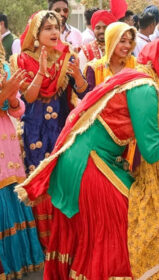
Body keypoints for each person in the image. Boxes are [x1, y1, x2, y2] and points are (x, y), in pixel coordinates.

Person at [15, 38, 159, 279]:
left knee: (122, 226)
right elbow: (153, 152)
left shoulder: (141, 81)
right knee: (127, 225)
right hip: (88, 163)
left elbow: (158, 143)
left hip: (93, 160)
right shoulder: (144, 88)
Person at [10, 10, 89, 248]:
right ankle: (44, 243)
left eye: (57, 27)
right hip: (34, 130)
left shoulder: (68, 56)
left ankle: (63, 238)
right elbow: (30, 97)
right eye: (48, 28)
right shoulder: (22, 60)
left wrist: (77, 75)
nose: (55, 32)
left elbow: (84, 93)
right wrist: (42, 70)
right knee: (37, 177)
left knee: (60, 178)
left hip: (59, 127)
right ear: (36, 33)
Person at [0, 42, 44, 279]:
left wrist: (12, 99)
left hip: (5, 139)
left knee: (11, 193)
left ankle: (21, 261)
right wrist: (2, 95)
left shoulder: (4, 68)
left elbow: (17, 111)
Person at [84, 22, 137, 91]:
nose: (128, 46)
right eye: (122, 41)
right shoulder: (95, 68)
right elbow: (88, 97)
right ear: (111, 42)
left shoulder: (137, 65)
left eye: (130, 42)